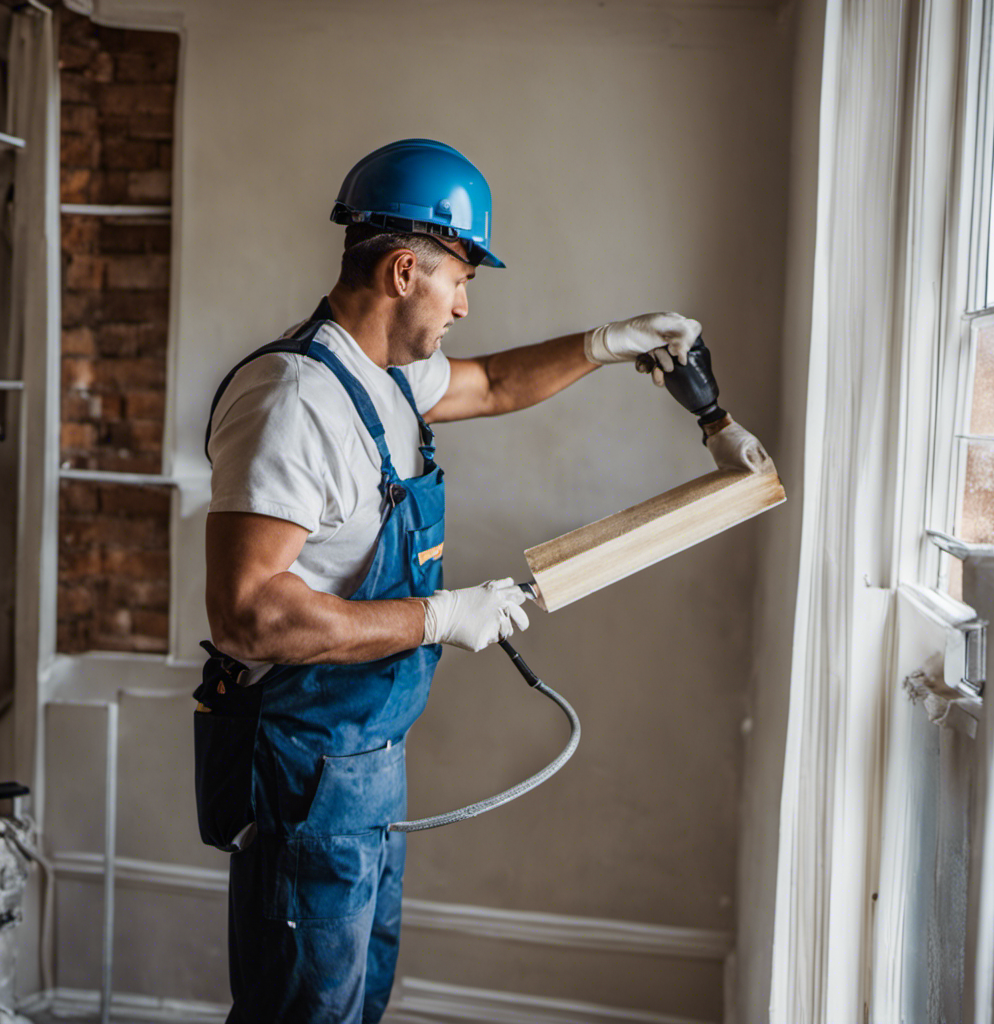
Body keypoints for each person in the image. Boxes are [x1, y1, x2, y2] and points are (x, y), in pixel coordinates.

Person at [197, 138, 766, 1024]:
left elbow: (497, 383)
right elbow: (247, 615)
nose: (464, 304)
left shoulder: (383, 379)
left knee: (354, 1001)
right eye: (460, 279)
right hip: (306, 764)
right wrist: (436, 617)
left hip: (369, 758)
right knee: (302, 1011)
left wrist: (610, 344)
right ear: (400, 271)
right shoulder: (293, 405)